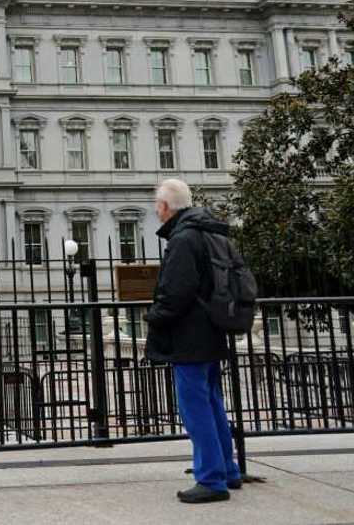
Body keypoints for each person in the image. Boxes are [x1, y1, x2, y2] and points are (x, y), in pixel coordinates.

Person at [144, 178, 241, 503]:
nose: (157, 211)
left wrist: (154, 315)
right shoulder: (208, 231)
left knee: (195, 406)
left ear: (166, 206)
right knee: (212, 401)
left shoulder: (184, 238)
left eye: (157, 205)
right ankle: (226, 469)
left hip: (190, 334)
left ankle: (211, 479)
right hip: (212, 328)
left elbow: (176, 291)